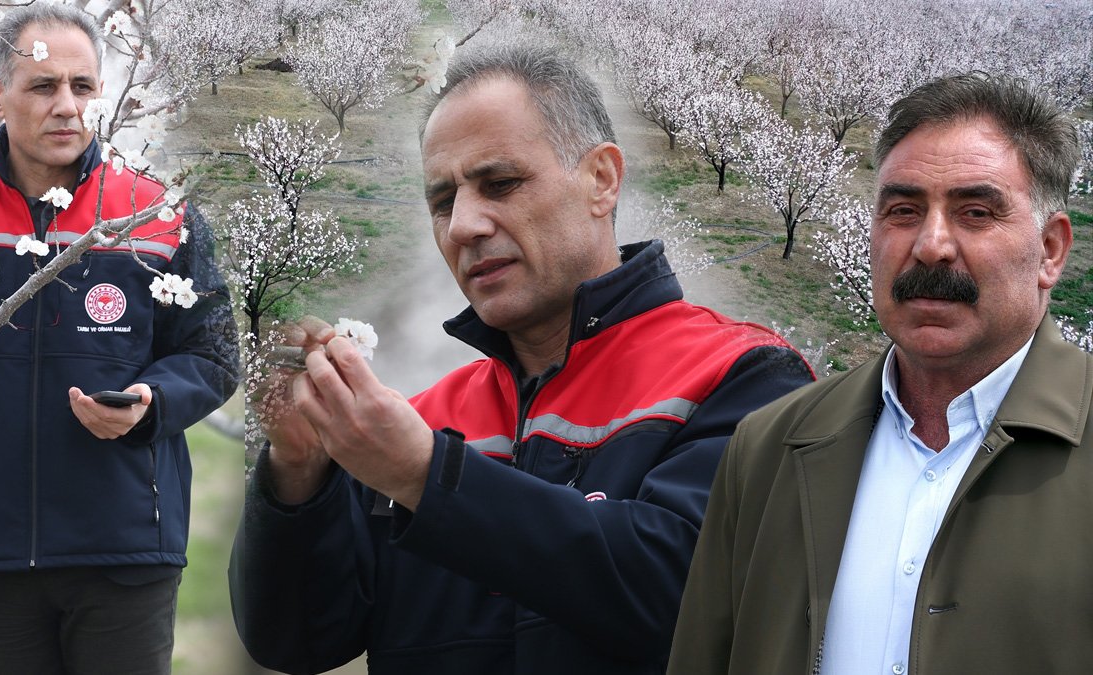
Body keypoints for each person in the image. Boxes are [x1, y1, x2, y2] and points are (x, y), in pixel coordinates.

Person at [229, 46, 813, 675]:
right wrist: (299, 474)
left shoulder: (745, 375)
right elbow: (296, 641)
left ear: (601, 180)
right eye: (443, 201)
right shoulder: (425, 420)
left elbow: (698, 599)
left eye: (500, 184)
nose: (464, 226)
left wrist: (430, 478)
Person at [667, 72, 1088, 674]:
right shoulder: (768, 448)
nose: (931, 245)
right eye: (903, 211)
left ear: (1050, 249)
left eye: (975, 212)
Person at [0, 4, 238, 674]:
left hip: (125, 544)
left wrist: (152, 402)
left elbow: (214, 354)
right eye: (44, 86)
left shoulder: (158, 216)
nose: (67, 107)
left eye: (82, 87)